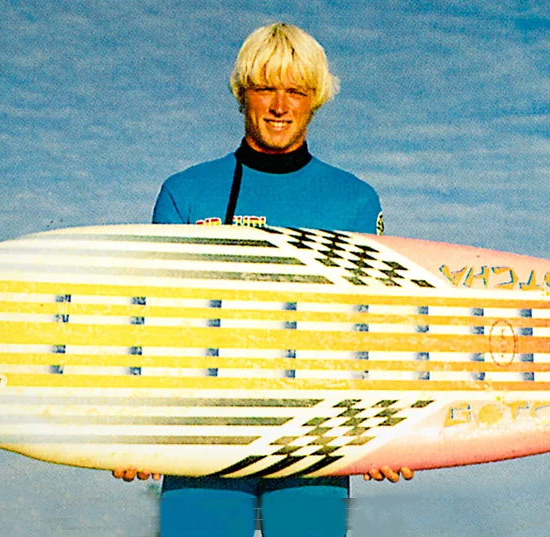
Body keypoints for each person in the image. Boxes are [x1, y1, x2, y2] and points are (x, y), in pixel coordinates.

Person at [114, 23, 412, 537]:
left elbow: (371, 329)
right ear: (241, 93)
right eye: (265, 88)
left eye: (295, 90)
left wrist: (387, 434)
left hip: (314, 443)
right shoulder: (187, 192)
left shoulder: (355, 200)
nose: (279, 105)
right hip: (202, 443)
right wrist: (134, 428)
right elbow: (154, 324)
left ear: (314, 99)